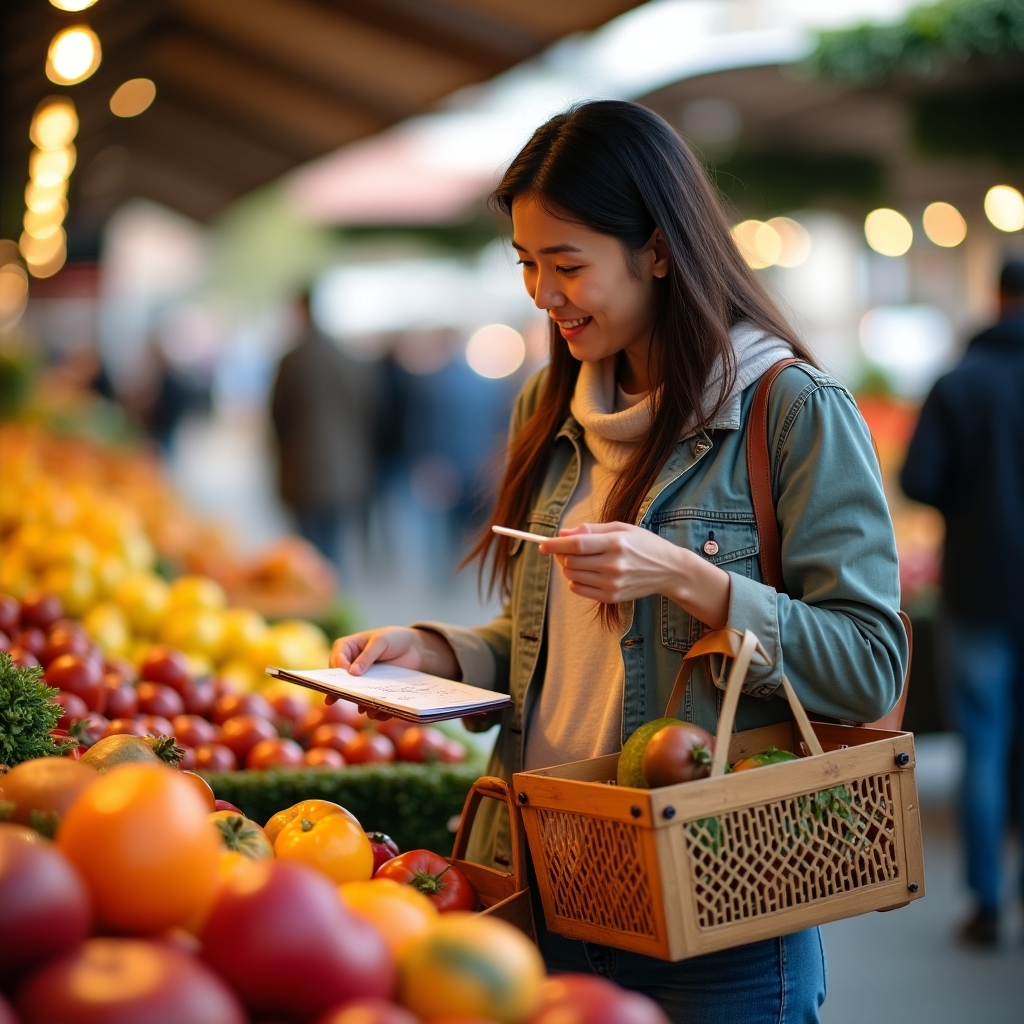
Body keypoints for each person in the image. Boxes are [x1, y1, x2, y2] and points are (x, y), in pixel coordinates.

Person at [329, 101, 907, 1024]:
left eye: (567, 264)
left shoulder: (791, 410)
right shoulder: (549, 411)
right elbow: (559, 642)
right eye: (526, 263)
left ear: (660, 250)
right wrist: (436, 652)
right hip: (548, 887)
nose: (542, 294)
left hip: (719, 906)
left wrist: (690, 576)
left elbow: (871, 663)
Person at [900, 259, 1024, 947]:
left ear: (996, 296)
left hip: (979, 584)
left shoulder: (960, 383)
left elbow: (919, 478)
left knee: (983, 743)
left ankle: (985, 904)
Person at [270, 292, 381, 577]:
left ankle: (319, 608)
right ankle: (335, 601)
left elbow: (277, 415)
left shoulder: (292, 359)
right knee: (335, 548)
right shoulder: (349, 358)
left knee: (306, 554)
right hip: (345, 470)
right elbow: (370, 409)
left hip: (302, 470)